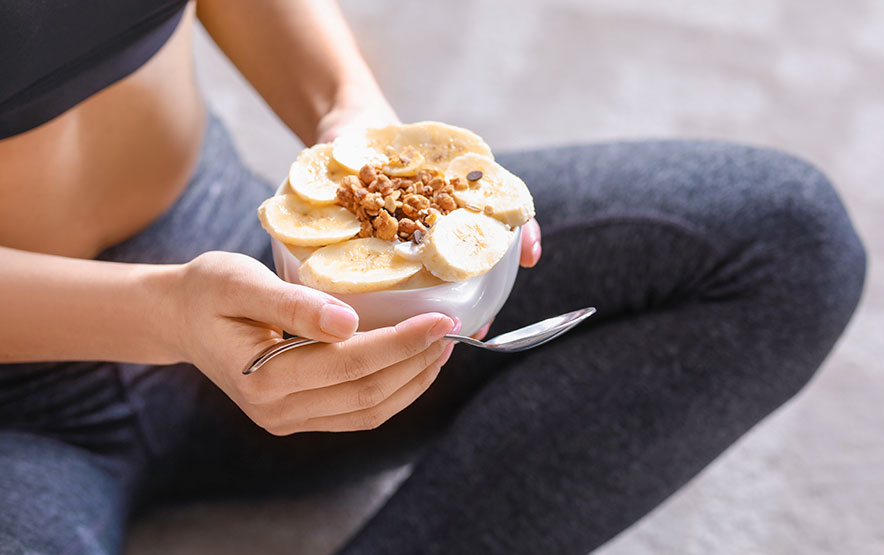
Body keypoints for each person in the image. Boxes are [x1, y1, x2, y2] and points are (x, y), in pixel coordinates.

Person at [0, 1, 866, 554]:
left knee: (787, 241)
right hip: (20, 408)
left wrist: (352, 115)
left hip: (246, 256)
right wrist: (167, 314)